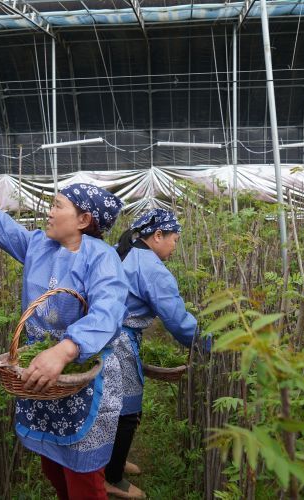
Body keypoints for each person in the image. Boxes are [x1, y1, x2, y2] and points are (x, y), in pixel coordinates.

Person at [0, 164, 128, 500]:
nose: (49, 212)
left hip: (82, 376)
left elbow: (108, 310)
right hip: (42, 372)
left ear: (83, 220)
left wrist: (66, 350)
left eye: (58, 206)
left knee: (82, 474)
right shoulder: (39, 245)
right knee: (52, 464)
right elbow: (3, 229)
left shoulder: (102, 258)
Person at [105, 208, 203, 499]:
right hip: (118, 342)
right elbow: (177, 321)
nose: (175, 245)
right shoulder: (151, 268)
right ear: (157, 236)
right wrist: (208, 342)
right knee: (127, 410)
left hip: (102, 337)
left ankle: (113, 462)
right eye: (174, 238)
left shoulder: (120, 251)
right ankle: (112, 478)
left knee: (107, 405)